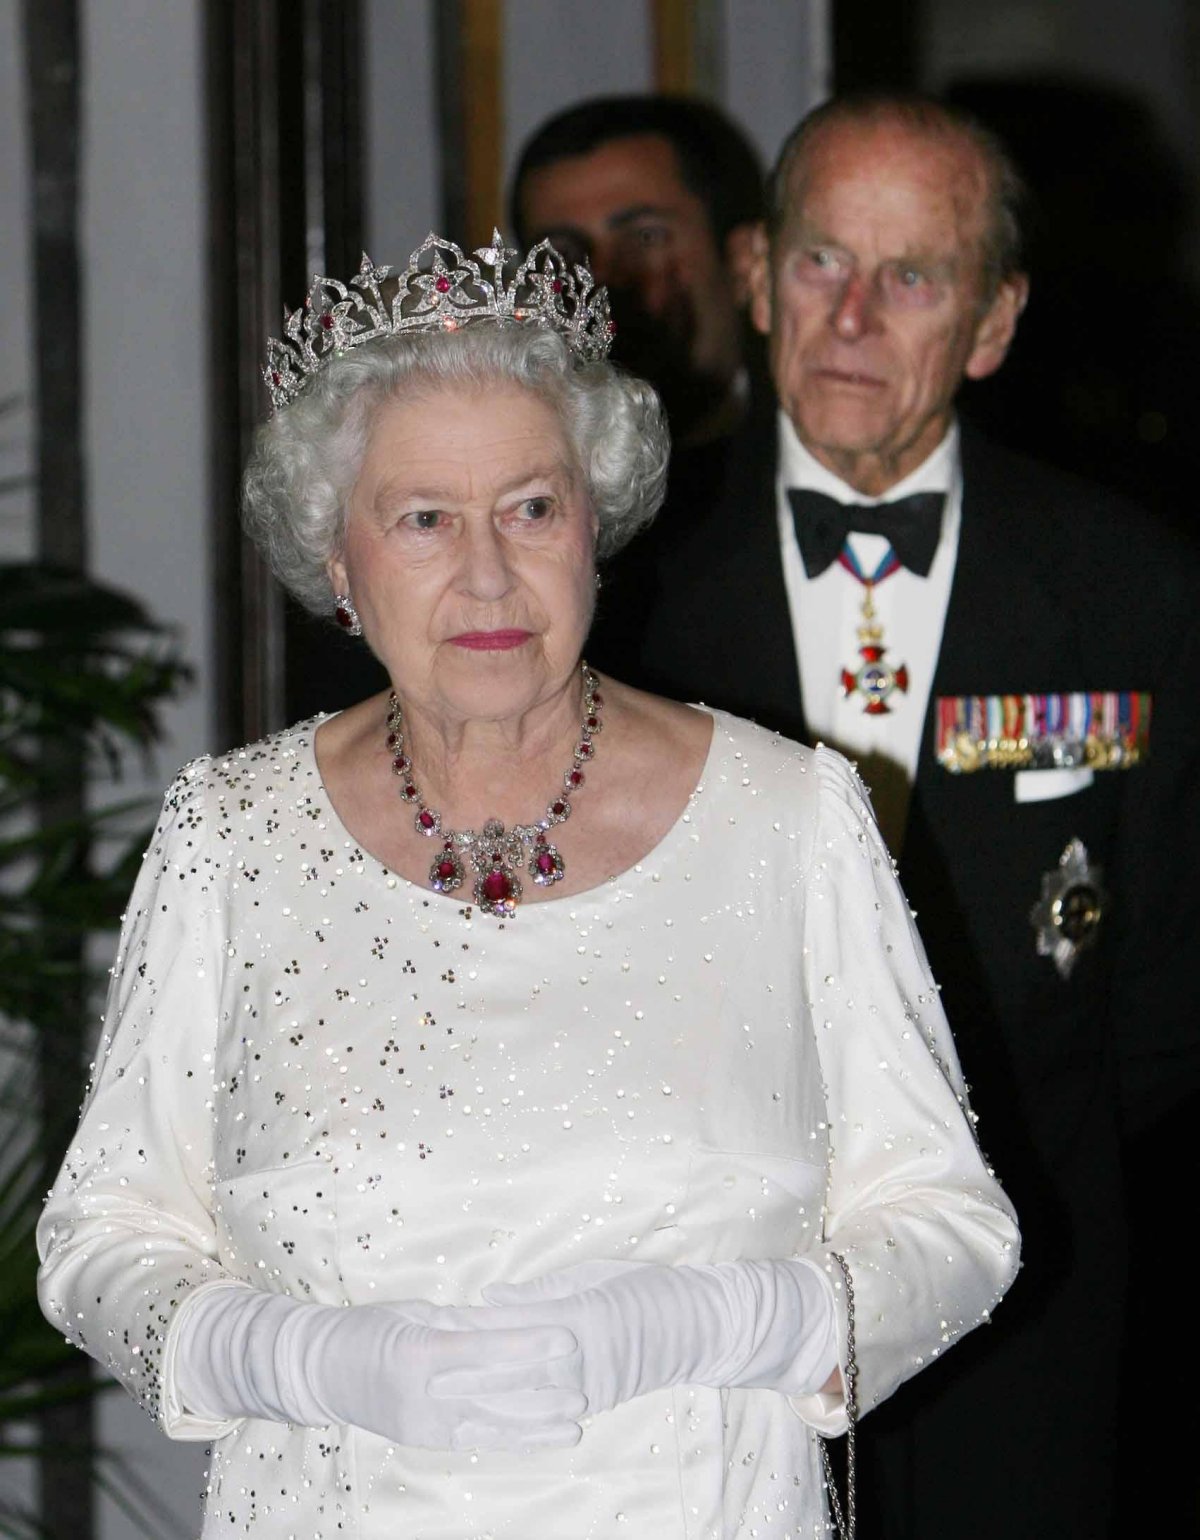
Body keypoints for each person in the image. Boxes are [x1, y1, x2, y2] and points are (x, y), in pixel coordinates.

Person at [37, 233, 1018, 1539]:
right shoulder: (232, 838)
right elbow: (101, 1248)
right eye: (424, 519)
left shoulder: (791, 819)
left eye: (532, 507)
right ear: (339, 560)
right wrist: (307, 1363)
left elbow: (952, 1232)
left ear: (593, 526)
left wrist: (721, 1320)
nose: (488, 573)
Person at [641, 94, 1200, 1538]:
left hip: (1024, 1311)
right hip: (695, 1307)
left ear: (995, 322)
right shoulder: (623, 577)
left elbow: (1160, 1009)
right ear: (758, 276)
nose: (854, 317)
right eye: (824, 262)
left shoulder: (1130, 589)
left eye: (916, 277)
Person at [510, 95, 767, 678]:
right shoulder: (516, 495)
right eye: (566, 253)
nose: (603, 281)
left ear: (745, 261)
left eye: (646, 238)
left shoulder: (808, 467)